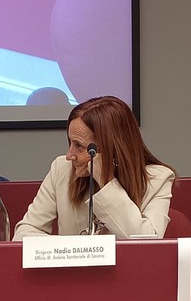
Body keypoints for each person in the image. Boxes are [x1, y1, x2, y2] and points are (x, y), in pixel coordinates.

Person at [13, 96, 175, 239]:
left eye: (78, 146)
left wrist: (107, 183)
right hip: (70, 266)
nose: (69, 155)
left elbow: (146, 244)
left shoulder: (158, 179)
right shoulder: (61, 169)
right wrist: (71, 248)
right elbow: (25, 232)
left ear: (111, 149)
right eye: (70, 143)